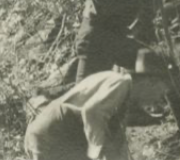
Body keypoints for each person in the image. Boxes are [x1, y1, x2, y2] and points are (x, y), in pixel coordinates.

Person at [24, 50, 171, 160]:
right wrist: (96, 153)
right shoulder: (121, 83)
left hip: (51, 133)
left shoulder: (124, 98)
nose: (159, 100)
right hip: (55, 131)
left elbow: (115, 141)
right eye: (161, 93)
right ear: (151, 81)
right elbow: (91, 112)